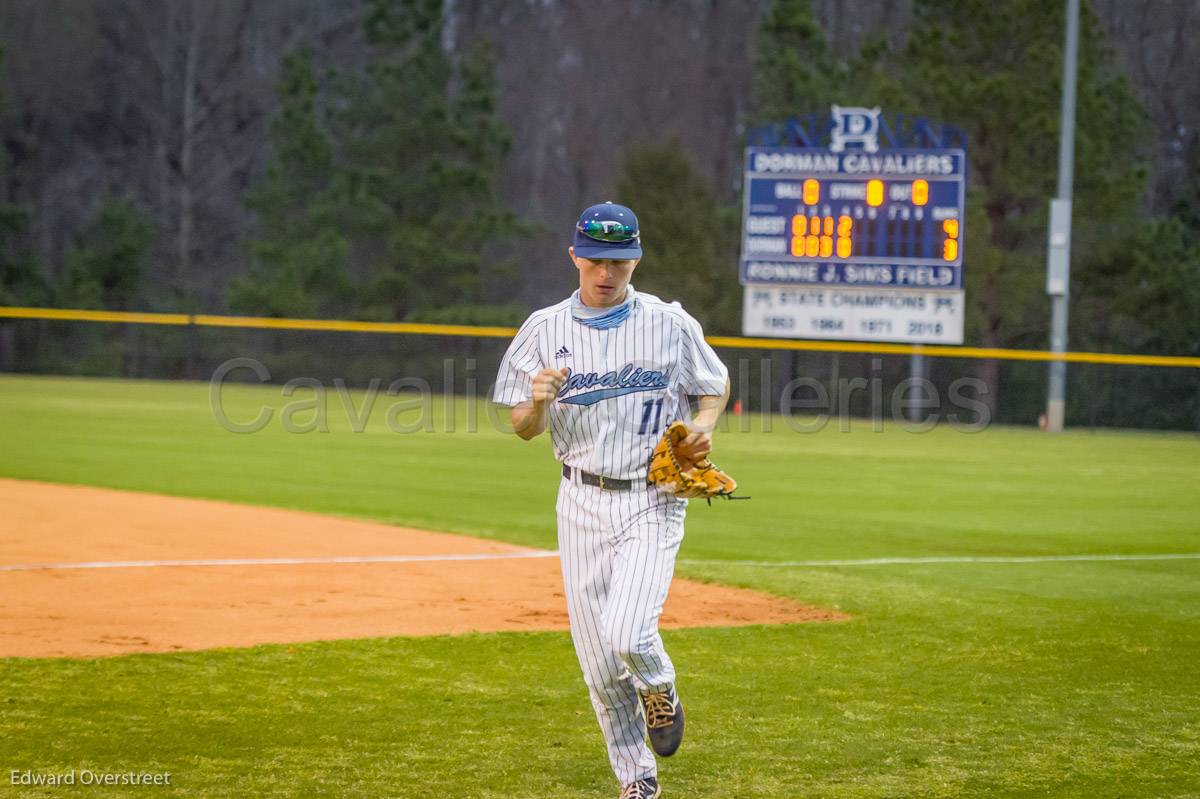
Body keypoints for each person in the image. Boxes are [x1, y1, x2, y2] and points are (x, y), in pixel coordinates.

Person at [493, 202, 730, 799]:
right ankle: (637, 779)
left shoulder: (668, 323)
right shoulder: (544, 329)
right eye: (596, 260)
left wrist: (704, 424)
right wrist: (540, 401)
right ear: (574, 255)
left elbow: (714, 384)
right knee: (598, 665)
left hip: (653, 495)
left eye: (620, 262)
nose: (607, 273)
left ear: (637, 259)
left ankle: (660, 687)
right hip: (580, 502)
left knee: (628, 633)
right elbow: (522, 426)